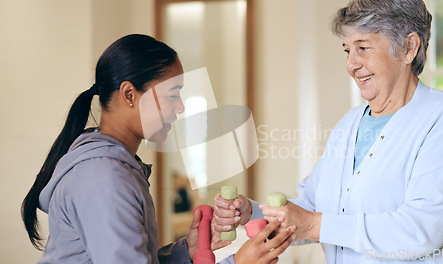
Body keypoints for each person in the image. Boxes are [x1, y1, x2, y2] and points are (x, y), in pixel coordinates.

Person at [213, 0, 443, 263]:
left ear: (409, 47)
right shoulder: (350, 123)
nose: (351, 65)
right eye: (347, 50)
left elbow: (422, 229)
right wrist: (253, 213)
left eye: (363, 48)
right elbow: (313, 207)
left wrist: (313, 225)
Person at [21, 34, 295, 264]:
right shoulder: (104, 177)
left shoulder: (113, 167)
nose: (180, 108)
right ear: (129, 95)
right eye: (172, 94)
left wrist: (188, 249)